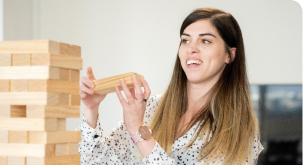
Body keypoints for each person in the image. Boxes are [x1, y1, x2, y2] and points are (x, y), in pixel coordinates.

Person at [76, 7, 264, 165]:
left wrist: (138, 132)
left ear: (229, 55)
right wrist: (91, 110)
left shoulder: (239, 130)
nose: (192, 48)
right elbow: (95, 161)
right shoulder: (151, 107)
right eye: (185, 40)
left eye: (205, 40)